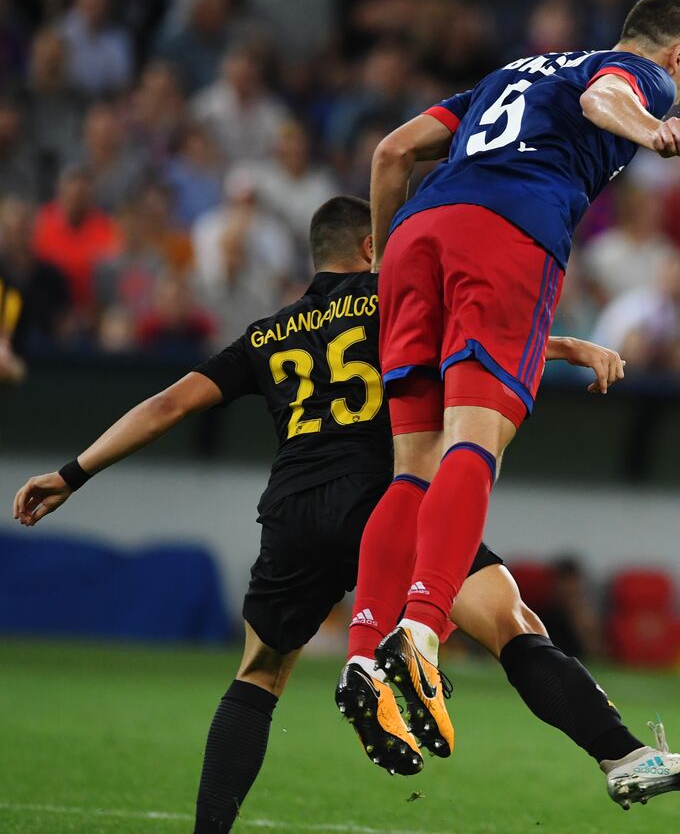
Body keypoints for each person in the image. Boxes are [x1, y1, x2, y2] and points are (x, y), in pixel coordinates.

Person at [10, 197, 632, 831]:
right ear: (370, 248)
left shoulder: (267, 333)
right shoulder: (396, 300)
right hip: (388, 499)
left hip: (294, 508)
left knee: (259, 675)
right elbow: (483, 342)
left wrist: (71, 473)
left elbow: (169, 405)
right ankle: (624, 755)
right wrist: (572, 347)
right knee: (509, 621)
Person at [348, 0, 680, 810]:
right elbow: (608, 96)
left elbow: (391, 154)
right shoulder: (633, 75)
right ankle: (421, 630)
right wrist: (653, 127)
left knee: (412, 464)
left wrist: (388, 256)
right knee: (474, 443)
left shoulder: (507, 75)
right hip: (510, 234)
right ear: (674, 56)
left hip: (419, 234)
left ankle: (365, 648)